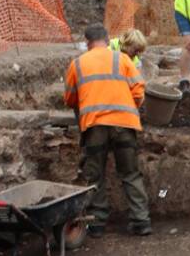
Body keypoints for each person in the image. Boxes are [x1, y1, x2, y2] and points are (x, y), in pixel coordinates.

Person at [64, 24, 151, 237]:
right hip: (124, 123)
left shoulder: (77, 64)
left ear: (87, 42)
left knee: (95, 175)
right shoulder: (121, 59)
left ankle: (97, 223)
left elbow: (70, 99)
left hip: (94, 125)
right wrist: (131, 108)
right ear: (107, 39)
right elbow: (139, 89)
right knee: (130, 173)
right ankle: (141, 221)